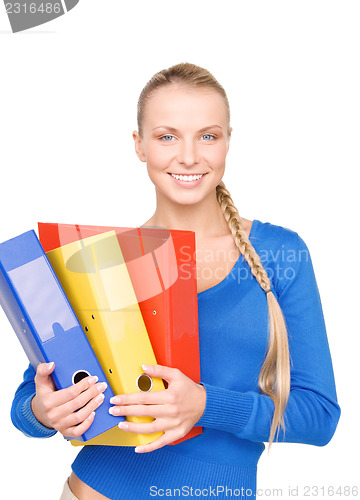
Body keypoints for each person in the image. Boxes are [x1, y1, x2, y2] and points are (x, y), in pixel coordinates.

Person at [11, 62, 341, 500]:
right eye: (167, 136)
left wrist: (205, 405)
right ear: (140, 145)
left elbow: (319, 416)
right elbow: (27, 402)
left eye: (208, 135)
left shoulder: (282, 254)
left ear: (228, 141)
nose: (188, 156)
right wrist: (45, 410)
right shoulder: (103, 259)